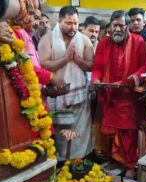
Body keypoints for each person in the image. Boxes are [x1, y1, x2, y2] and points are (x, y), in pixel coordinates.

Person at [92, 10, 146, 176]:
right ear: (110, 26)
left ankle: (129, 165)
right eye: (114, 25)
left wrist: (135, 77)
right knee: (110, 134)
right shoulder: (103, 44)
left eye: (121, 26)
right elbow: (97, 68)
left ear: (127, 27)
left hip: (129, 97)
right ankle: (114, 162)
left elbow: (145, 66)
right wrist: (96, 80)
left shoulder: (139, 42)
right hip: (109, 96)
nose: (117, 29)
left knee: (127, 134)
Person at [38, 6, 94, 161]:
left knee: (79, 136)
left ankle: (78, 163)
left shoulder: (84, 39)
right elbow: (42, 64)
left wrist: (77, 60)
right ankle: (59, 164)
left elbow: (91, 65)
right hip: (56, 96)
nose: (73, 27)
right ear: (59, 21)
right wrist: (65, 59)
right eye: (69, 23)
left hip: (79, 98)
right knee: (59, 135)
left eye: (76, 23)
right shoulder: (47, 38)